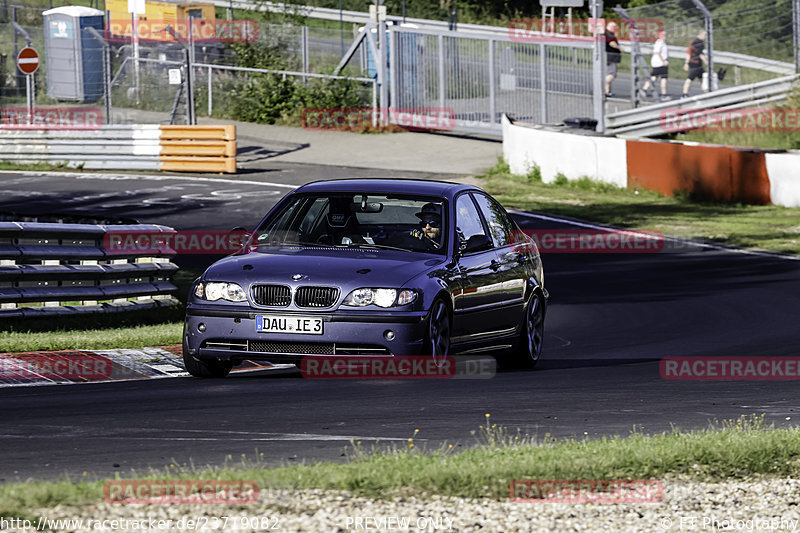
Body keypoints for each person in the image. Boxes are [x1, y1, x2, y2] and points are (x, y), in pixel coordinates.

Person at [642, 30, 670, 101]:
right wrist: (663, 61)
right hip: (660, 63)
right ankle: (664, 95)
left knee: (654, 77)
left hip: (658, 63)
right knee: (663, 78)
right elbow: (657, 52)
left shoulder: (661, 42)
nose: (665, 37)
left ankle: (644, 89)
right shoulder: (660, 42)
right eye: (664, 35)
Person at [682, 29, 708, 99]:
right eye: (705, 35)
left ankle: (707, 93)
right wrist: (707, 62)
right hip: (695, 64)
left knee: (703, 79)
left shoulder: (693, 41)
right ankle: (684, 94)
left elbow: (689, 52)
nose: (706, 37)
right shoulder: (699, 43)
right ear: (701, 34)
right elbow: (700, 54)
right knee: (690, 78)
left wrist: (686, 63)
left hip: (695, 63)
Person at [604, 21, 622, 98]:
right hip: (611, 57)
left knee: (609, 73)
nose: (615, 29)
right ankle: (604, 86)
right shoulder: (609, 34)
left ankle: (607, 91)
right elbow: (612, 43)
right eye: (614, 27)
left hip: (608, 56)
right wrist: (620, 48)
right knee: (612, 74)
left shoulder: (606, 33)